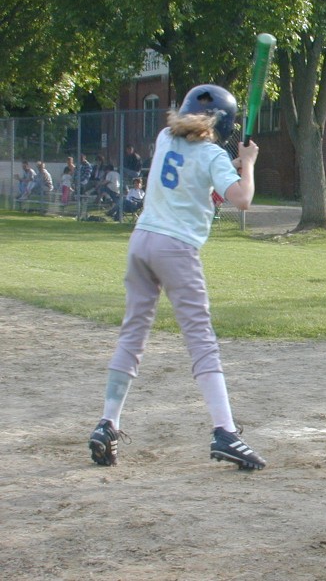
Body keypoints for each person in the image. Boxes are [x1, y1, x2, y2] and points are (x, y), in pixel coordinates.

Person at [88, 84, 266, 471]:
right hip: (176, 249)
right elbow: (243, 200)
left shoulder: (164, 138)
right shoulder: (212, 154)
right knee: (201, 338)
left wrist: (227, 168)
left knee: (132, 333)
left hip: (141, 242)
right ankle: (225, 431)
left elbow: (193, 179)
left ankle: (107, 424)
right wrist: (247, 163)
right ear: (227, 124)